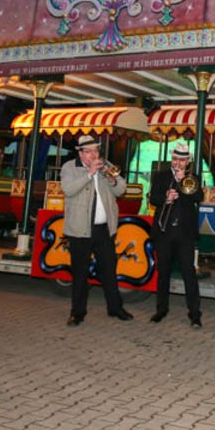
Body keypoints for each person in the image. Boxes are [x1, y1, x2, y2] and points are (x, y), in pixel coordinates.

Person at [59, 135, 132, 325]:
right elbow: (68, 189)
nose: (94, 155)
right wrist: (89, 173)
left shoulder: (106, 165)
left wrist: (112, 180)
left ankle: (115, 308)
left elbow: (121, 189)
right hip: (79, 230)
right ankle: (77, 313)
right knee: (80, 273)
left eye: (96, 150)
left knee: (109, 271)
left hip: (104, 229)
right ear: (80, 153)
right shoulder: (69, 168)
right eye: (89, 151)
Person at [147, 142, 203, 327]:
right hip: (165, 232)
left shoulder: (193, 177)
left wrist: (182, 180)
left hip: (185, 233)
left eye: (182, 160)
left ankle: (195, 314)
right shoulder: (161, 176)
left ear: (187, 162)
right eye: (176, 159)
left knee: (189, 273)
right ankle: (161, 310)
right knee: (163, 272)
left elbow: (199, 197)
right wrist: (166, 198)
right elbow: (153, 199)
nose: (178, 162)